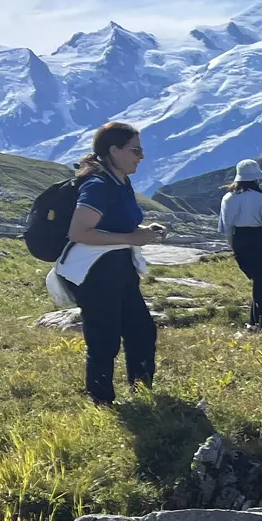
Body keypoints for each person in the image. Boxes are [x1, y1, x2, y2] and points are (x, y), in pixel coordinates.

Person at [57, 122, 165, 404]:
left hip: (121, 268)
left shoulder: (120, 181)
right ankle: (102, 401)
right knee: (104, 339)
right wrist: (131, 237)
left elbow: (115, 224)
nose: (141, 157)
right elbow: (79, 232)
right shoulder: (98, 185)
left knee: (141, 331)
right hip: (95, 273)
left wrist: (143, 232)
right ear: (114, 150)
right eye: (135, 151)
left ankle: (141, 394)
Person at [219, 159, 262, 331]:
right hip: (261, 240)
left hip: (240, 240)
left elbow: (227, 228)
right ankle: (258, 323)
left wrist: (233, 247)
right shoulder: (261, 198)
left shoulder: (228, 198)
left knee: (258, 282)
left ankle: (255, 322)